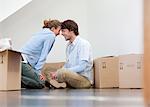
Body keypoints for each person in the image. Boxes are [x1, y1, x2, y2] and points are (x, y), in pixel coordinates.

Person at [44, 19, 93, 89]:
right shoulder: (69, 45)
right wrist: (57, 72)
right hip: (70, 76)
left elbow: (82, 67)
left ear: (71, 31)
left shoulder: (83, 44)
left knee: (63, 72)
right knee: (47, 69)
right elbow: (67, 65)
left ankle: (56, 82)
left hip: (84, 80)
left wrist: (59, 72)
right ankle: (59, 83)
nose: (61, 33)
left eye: (63, 31)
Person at [20, 19, 61, 89]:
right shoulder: (51, 35)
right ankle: (13, 79)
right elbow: (43, 56)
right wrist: (38, 72)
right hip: (23, 62)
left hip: (18, 60)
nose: (59, 33)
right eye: (59, 30)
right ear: (53, 28)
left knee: (38, 80)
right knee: (41, 83)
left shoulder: (42, 32)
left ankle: (13, 77)